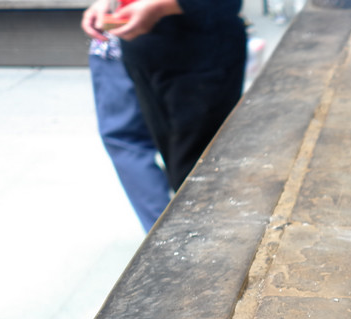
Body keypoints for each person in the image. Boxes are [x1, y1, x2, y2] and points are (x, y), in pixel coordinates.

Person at [81, 0, 247, 191]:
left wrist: (164, 6)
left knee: (197, 175)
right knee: (177, 168)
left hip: (200, 54)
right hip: (142, 49)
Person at [89, 33, 172, 232]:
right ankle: (169, 235)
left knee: (127, 140)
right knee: (195, 142)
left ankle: (166, 237)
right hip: (200, 41)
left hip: (130, 39)